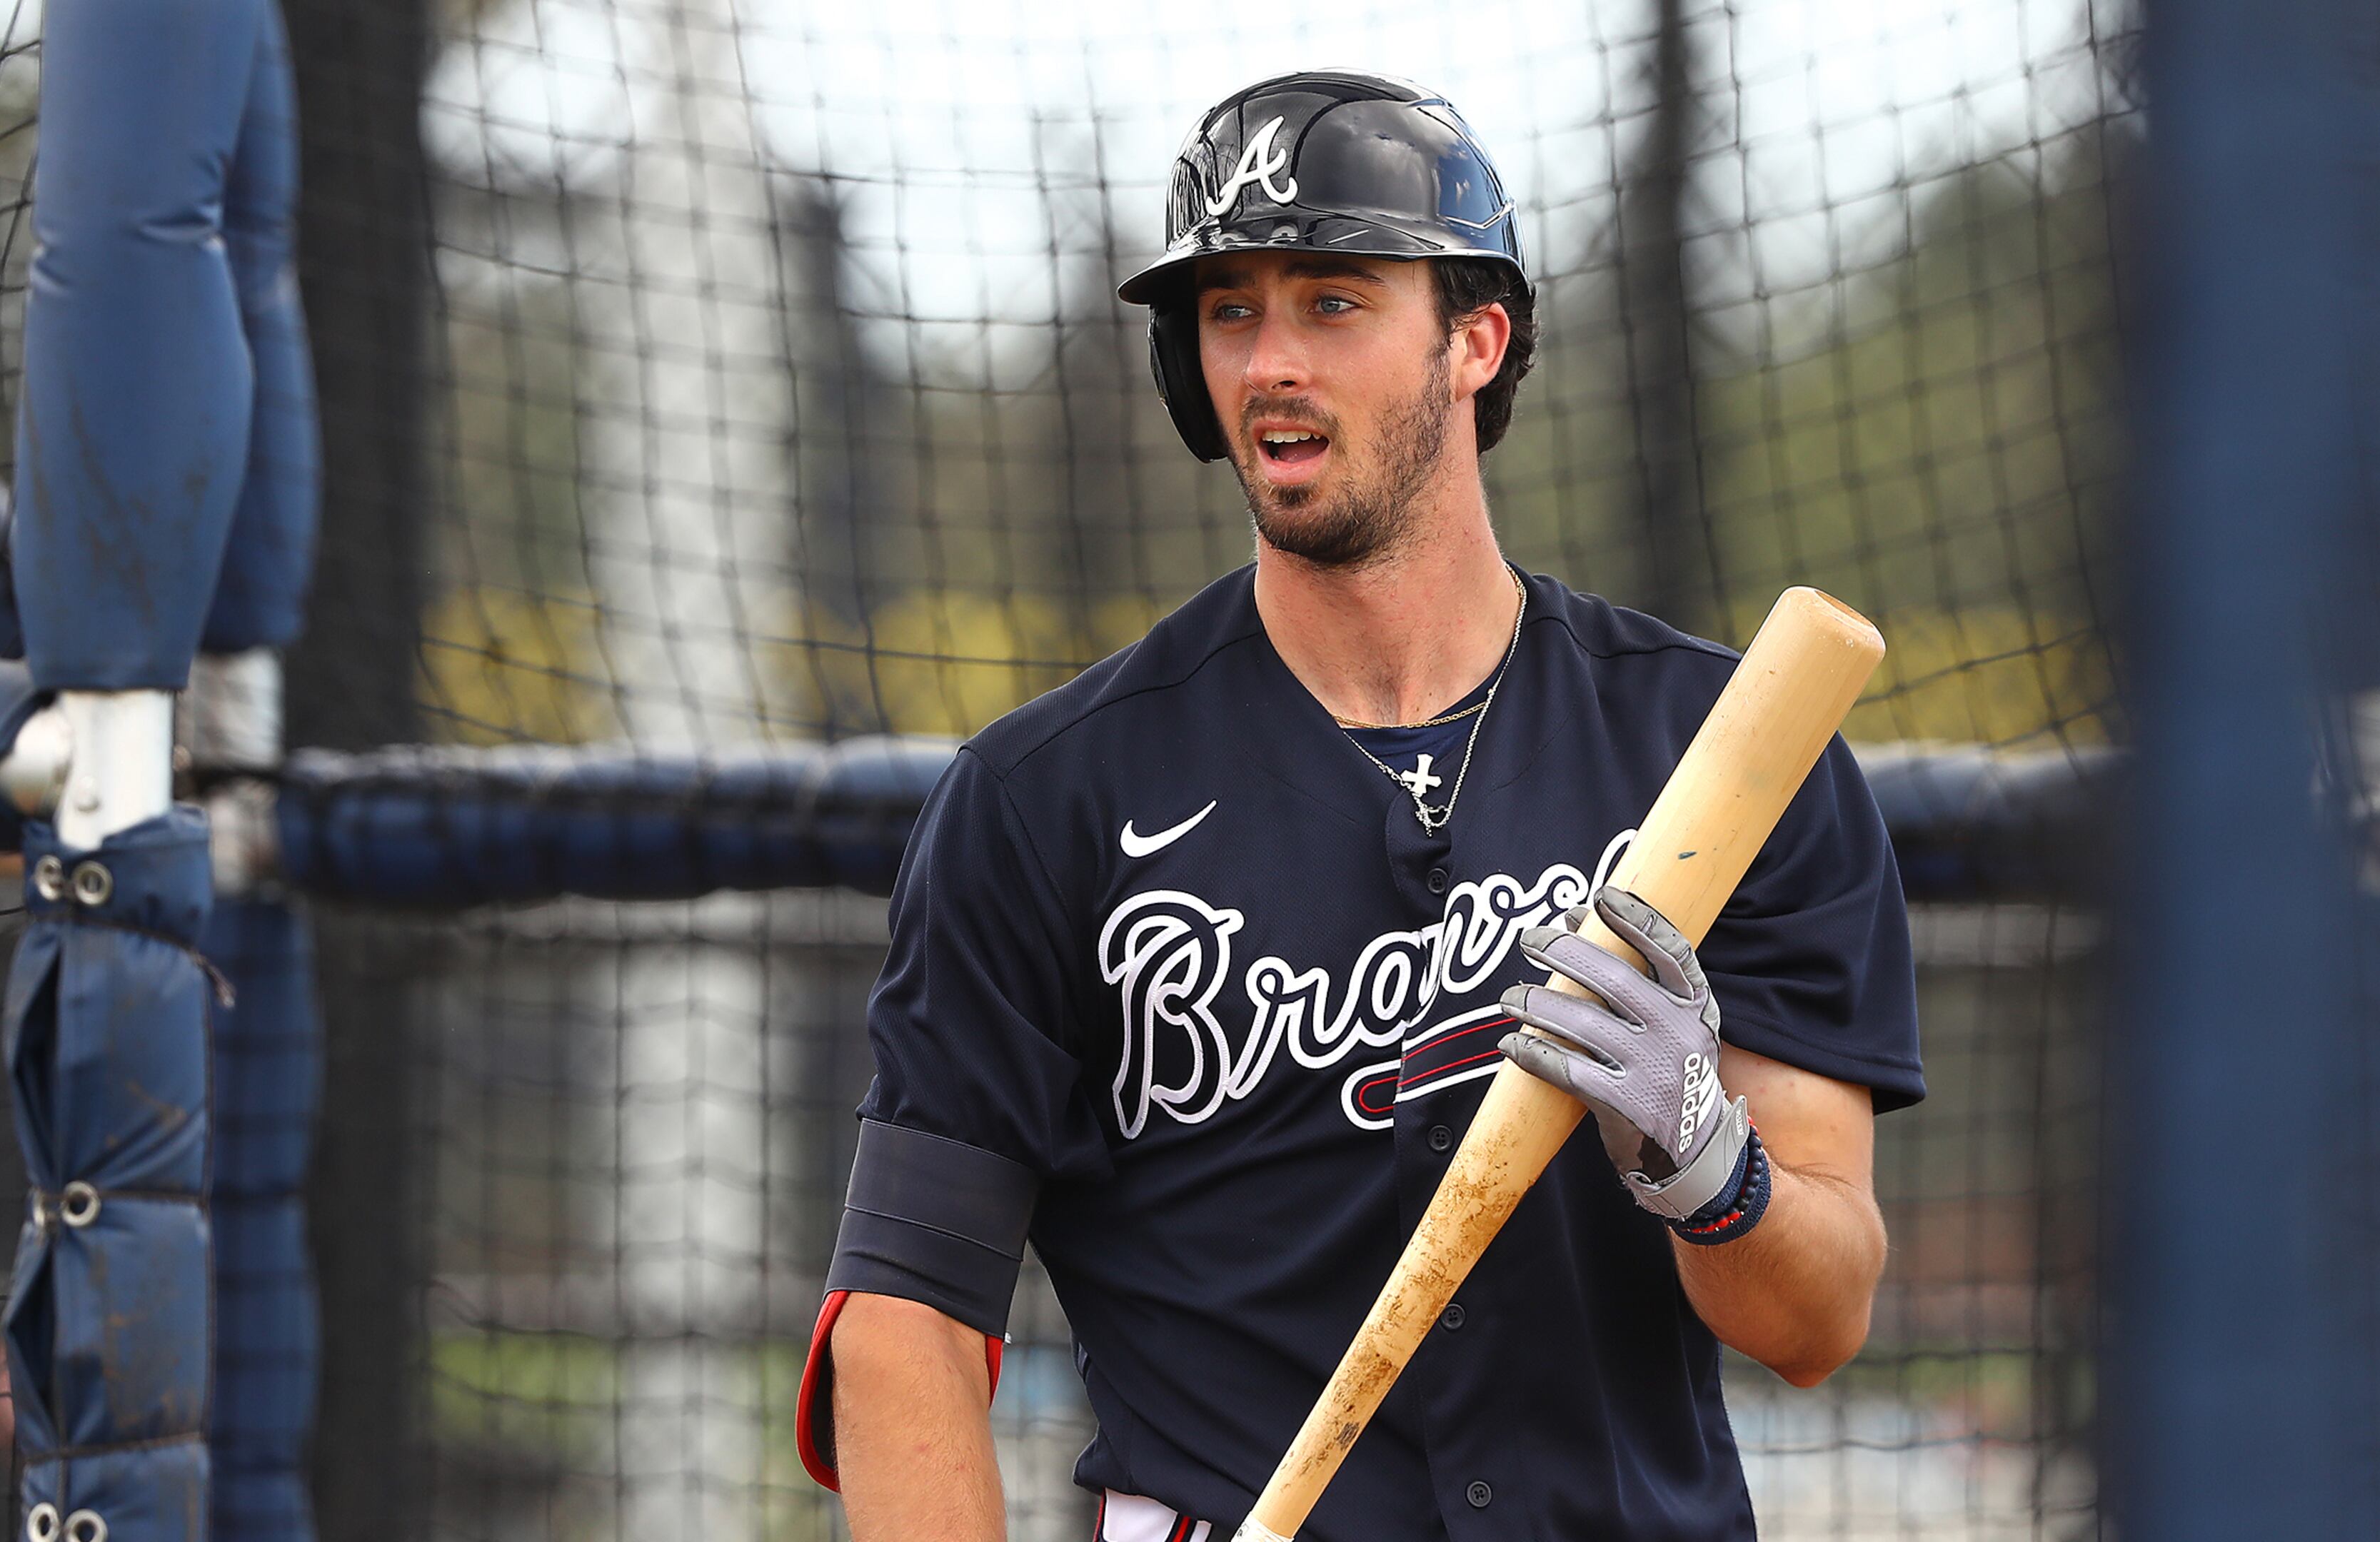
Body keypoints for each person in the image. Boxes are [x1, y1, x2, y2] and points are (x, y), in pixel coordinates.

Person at [797, 69, 1922, 1542]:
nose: (1271, 360)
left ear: (1476, 339)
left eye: (1332, 301)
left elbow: (1818, 1318)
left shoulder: (1723, 750)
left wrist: (1706, 1159)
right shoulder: (1042, 799)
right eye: (1231, 310)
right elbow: (907, 1321)